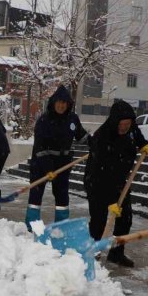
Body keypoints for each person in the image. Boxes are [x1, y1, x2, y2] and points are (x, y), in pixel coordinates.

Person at [83, 100, 148, 267]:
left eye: (127, 124)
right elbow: (103, 173)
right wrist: (113, 200)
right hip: (98, 182)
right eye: (122, 124)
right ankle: (93, 253)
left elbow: (136, 134)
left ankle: (116, 254)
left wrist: (144, 144)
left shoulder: (131, 128)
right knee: (99, 220)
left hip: (121, 181)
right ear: (115, 122)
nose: (125, 128)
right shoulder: (102, 137)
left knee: (125, 219)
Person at [24, 85, 87, 230]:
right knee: (36, 194)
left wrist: (95, 145)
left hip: (63, 164)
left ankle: (61, 226)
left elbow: (82, 136)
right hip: (41, 164)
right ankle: (33, 226)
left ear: (68, 104)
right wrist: (48, 169)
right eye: (59, 102)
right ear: (53, 102)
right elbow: (40, 147)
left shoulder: (73, 119)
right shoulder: (44, 120)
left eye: (64, 102)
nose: (61, 105)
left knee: (62, 196)